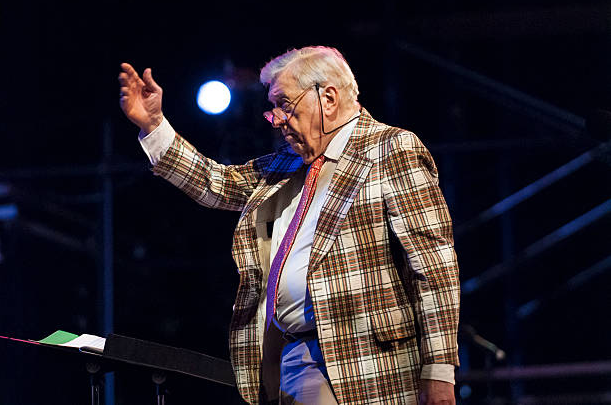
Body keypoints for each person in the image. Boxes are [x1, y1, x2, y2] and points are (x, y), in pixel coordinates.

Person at [119, 46, 460, 404]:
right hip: (292, 355)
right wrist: (154, 126)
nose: (276, 119)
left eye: (284, 104)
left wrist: (439, 369)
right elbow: (216, 185)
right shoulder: (289, 162)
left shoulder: (390, 148)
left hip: (371, 362)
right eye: (273, 108)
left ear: (328, 98)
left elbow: (434, 266)